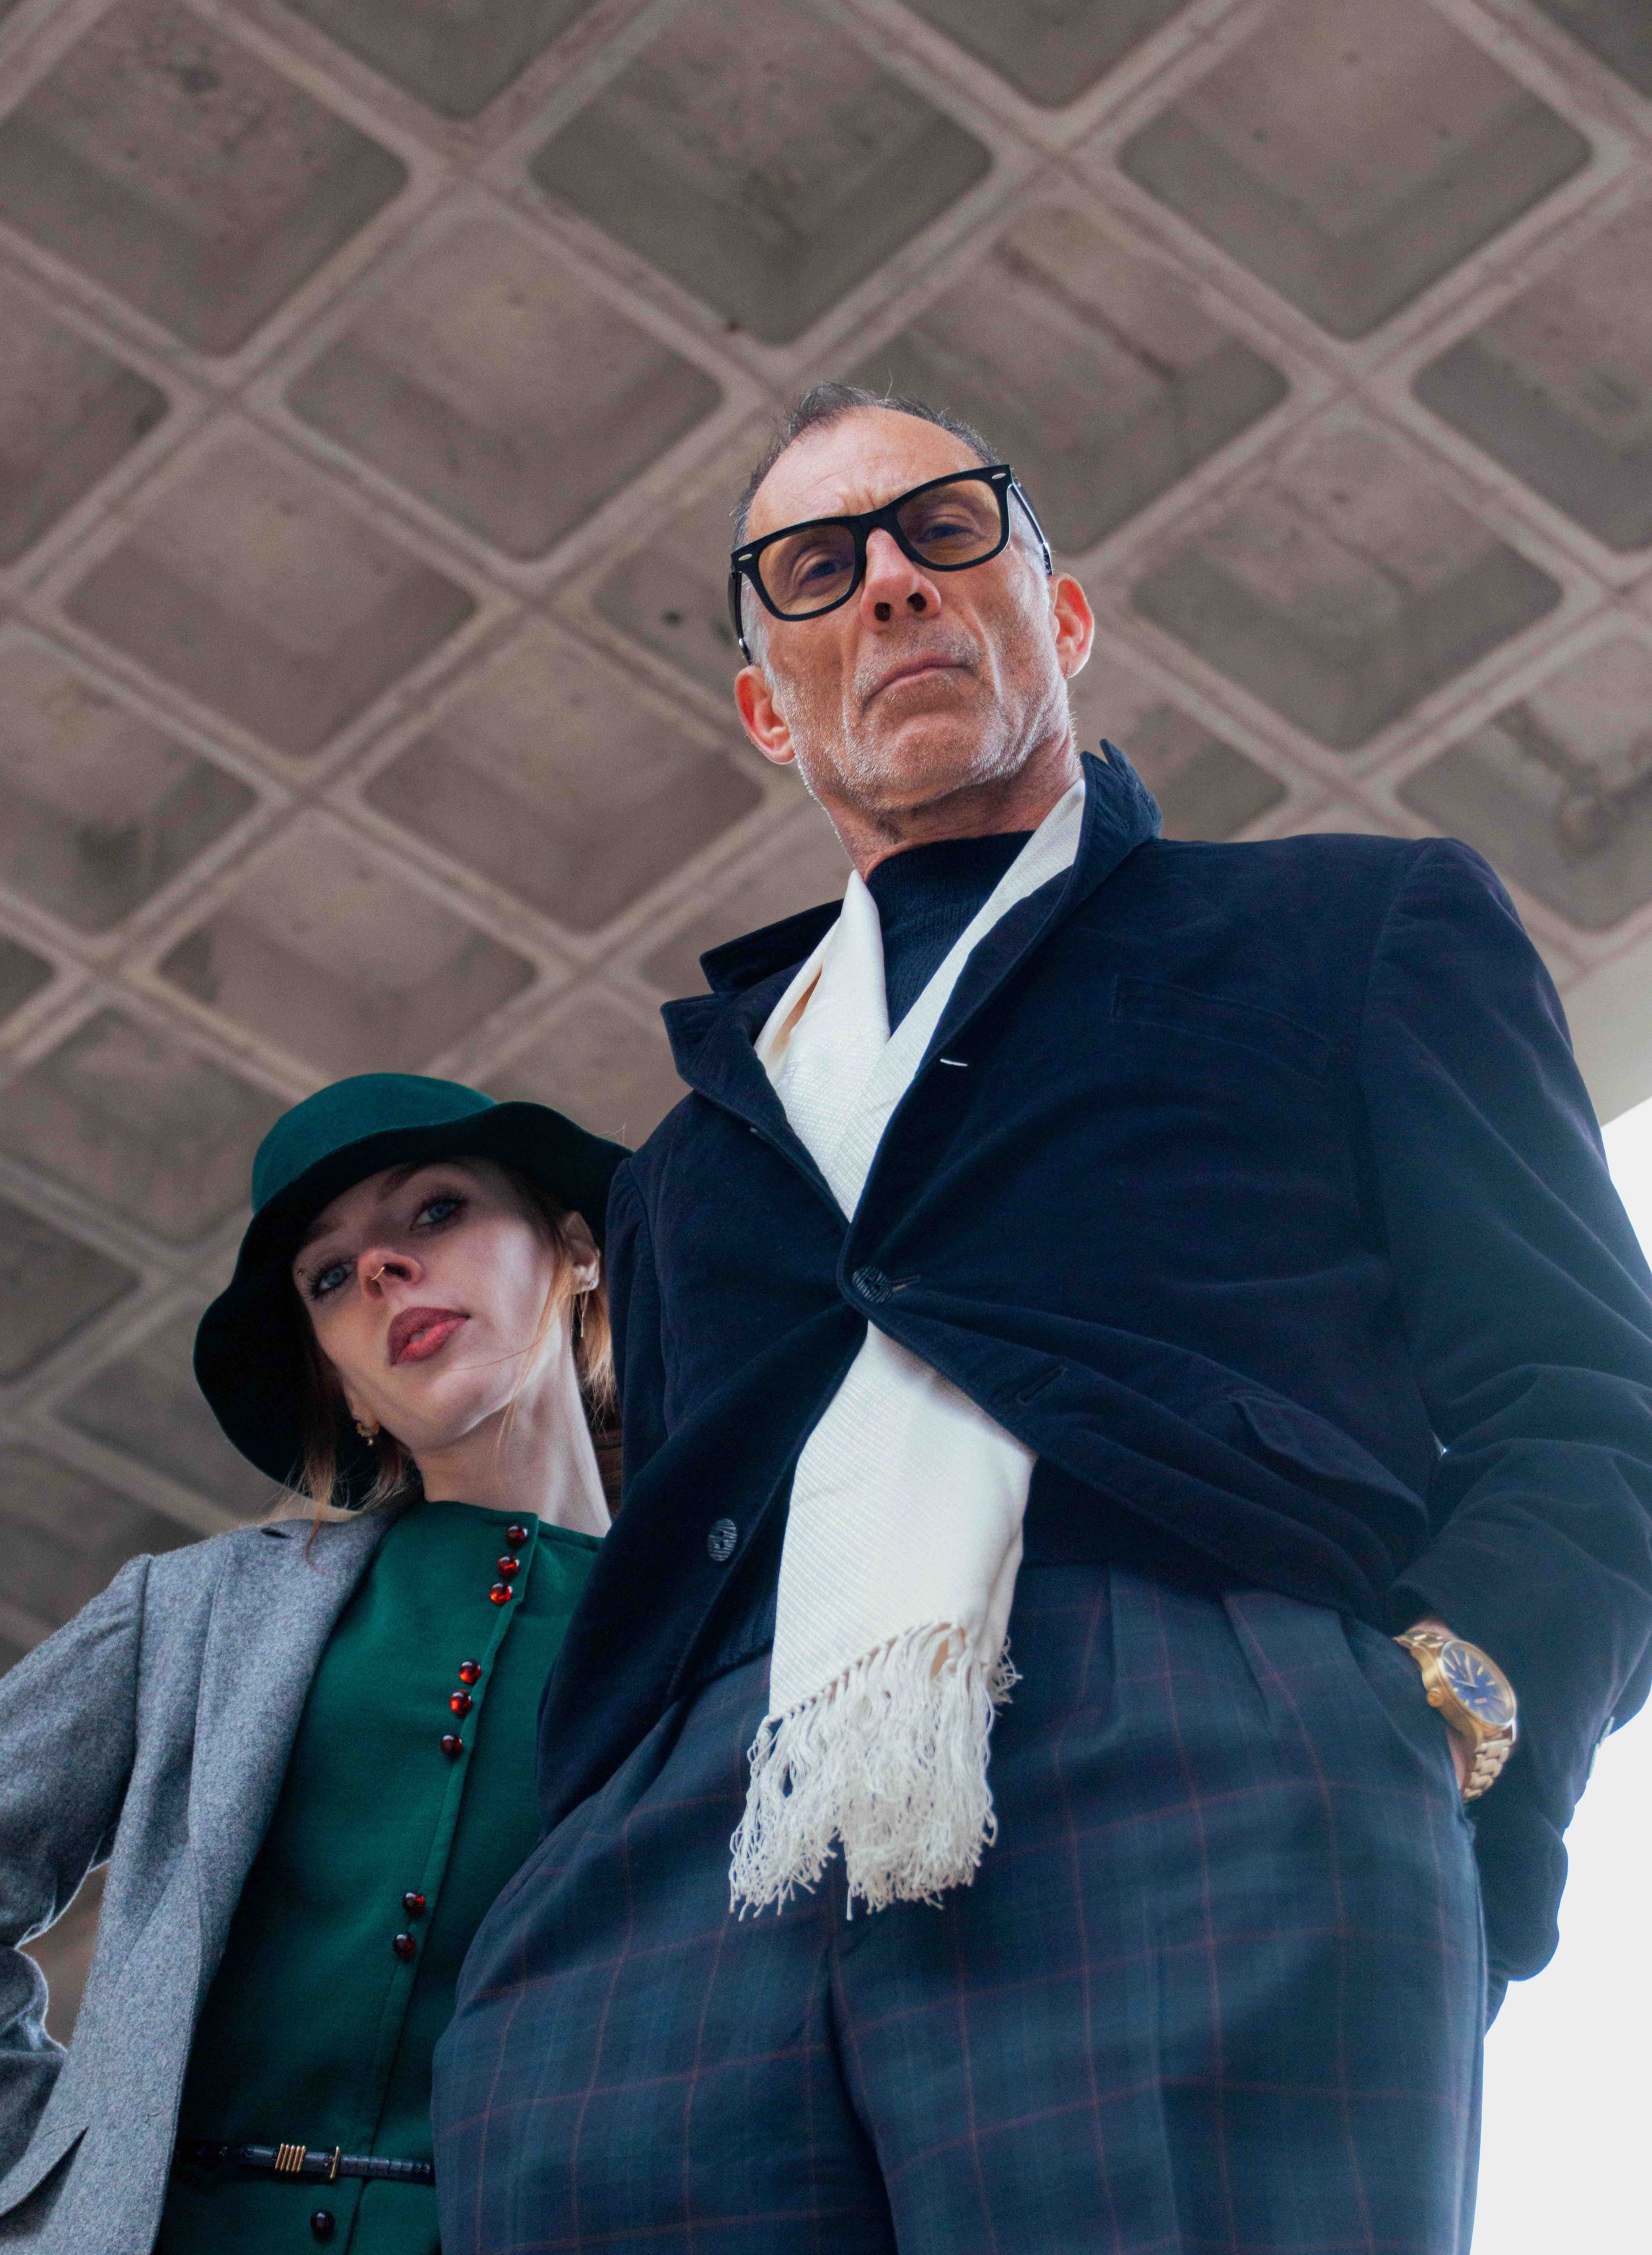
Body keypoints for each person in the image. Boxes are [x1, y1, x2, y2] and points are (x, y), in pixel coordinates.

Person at [434, 386, 1652, 2254]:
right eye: (814, 567)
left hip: (1198, 1764)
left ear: (1059, 616)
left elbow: (1585, 1400)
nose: (890, 585)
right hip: (685, 1871)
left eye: (944, 529)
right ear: (768, 710)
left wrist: (1448, 1713)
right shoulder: (680, 1169)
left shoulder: (1352, 924)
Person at [0, 1072, 627, 2254]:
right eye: (329, 1276)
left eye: (435, 1210)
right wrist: (82, 2196)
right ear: (338, 1378)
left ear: (575, 1248)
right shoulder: (193, 1611)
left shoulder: (720, 1635)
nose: (382, 1270)